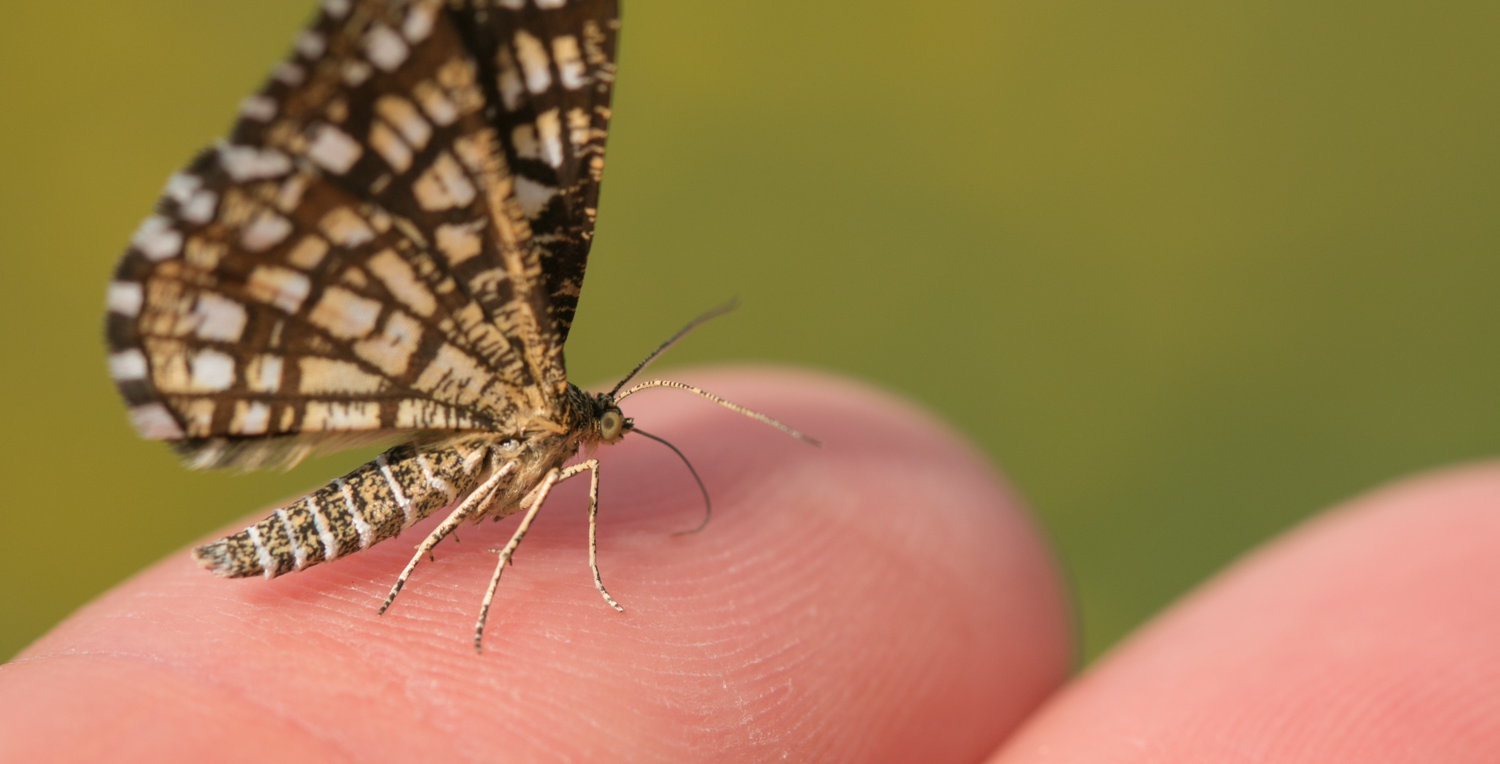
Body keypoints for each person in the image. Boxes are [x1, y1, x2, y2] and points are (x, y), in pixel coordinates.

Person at [2, 367, 1497, 762]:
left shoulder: (555, 443)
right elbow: (526, 505)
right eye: (597, 422)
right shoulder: (534, 428)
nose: (599, 439)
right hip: (333, 520)